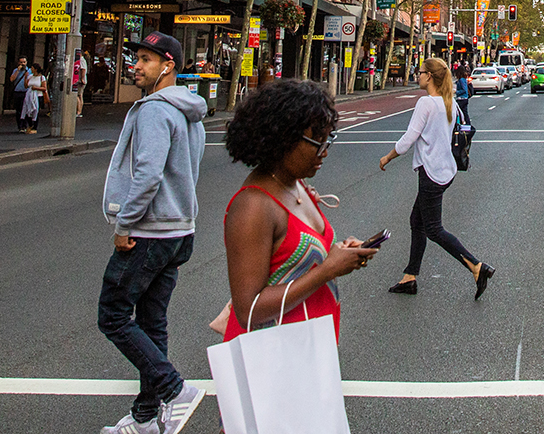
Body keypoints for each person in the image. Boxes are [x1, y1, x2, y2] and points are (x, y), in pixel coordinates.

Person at [98, 33, 209, 434]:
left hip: (150, 230)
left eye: (146, 59)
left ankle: (174, 389)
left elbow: (147, 173)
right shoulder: (188, 111)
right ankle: (147, 417)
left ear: (168, 65)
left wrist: (125, 223)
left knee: (112, 315)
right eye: (136, 58)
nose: (136, 65)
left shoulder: (154, 111)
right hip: (180, 228)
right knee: (150, 321)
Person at [223, 79, 372, 348]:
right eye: (316, 141)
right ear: (283, 137)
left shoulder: (296, 184)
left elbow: (293, 261)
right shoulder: (253, 205)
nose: (324, 151)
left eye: (328, 139)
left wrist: (340, 254)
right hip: (274, 356)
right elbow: (248, 310)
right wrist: (327, 270)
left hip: (309, 344)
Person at [381, 58, 493, 298]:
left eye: (420, 72)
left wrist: (388, 157)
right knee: (417, 221)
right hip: (446, 170)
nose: (417, 76)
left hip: (430, 172)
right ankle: (409, 277)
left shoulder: (426, 103)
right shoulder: (448, 102)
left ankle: (476, 266)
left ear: (429, 76)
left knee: (433, 229)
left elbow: (409, 138)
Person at [22, 64, 46, 134]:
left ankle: (35, 127)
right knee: (28, 111)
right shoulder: (30, 76)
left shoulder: (42, 78)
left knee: (35, 111)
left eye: (32, 68)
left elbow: (44, 88)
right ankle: (30, 125)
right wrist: (25, 78)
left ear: (35, 69)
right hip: (29, 96)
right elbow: (26, 86)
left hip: (38, 96)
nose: (31, 69)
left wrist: (36, 88)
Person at [10, 56, 32, 129]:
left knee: (25, 109)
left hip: (26, 92)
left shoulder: (29, 71)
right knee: (18, 110)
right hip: (17, 92)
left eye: (24, 62)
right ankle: (20, 126)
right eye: (21, 62)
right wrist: (17, 71)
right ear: (18, 63)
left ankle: (25, 125)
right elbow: (12, 79)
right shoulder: (15, 70)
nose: (22, 64)